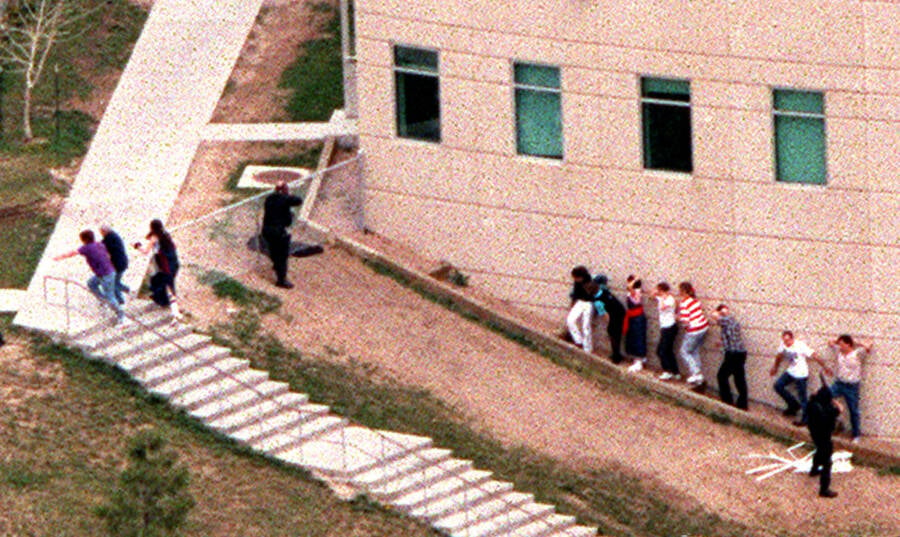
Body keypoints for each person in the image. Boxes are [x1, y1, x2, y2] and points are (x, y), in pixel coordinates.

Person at [53, 229, 125, 325]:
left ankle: (121, 315)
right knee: (91, 284)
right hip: (107, 271)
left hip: (105, 274)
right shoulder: (99, 244)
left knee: (110, 296)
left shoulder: (86, 248)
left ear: (84, 239)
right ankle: (102, 299)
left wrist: (59, 257)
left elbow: (72, 253)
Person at [770, 330, 830, 426]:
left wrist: (825, 367)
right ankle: (793, 405)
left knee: (803, 397)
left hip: (801, 374)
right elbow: (779, 356)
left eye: (788, 340)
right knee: (778, 386)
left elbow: (814, 355)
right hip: (790, 372)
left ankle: (805, 418)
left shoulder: (800, 346)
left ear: (792, 339)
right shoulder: (783, 345)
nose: (787, 343)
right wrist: (775, 367)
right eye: (785, 341)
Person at [826, 335, 872, 443]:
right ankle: (836, 419)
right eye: (839, 344)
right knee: (824, 397)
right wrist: (837, 342)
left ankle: (856, 434)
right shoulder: (839, 352)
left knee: (853, 411)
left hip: (851, 386)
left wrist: (856, 343)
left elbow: (869, 346)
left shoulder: (857, 353)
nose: (840, 346)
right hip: (839, 383)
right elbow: (830, 342)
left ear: (848, 344)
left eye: (842, 344)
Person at [135, 219, 182, 321]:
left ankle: (172, 309)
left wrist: (137, 246)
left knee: (165, 285)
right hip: (174, 263)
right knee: (158, 280)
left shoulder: (155, 238)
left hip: (166, 267)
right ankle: (162, 300)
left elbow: (146, 251)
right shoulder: (165, 234)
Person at [261, 180, 303, 289]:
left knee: (273, 251)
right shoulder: (285, 199)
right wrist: (286, 193)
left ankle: (276, 266)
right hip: (278, 232)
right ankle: (281, 280)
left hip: (267, 230)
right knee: (282, 256)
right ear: (284, 190)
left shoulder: (269, 198)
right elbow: (299, 200)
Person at [807, 376, 841, 498]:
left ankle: (814, 469)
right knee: (827, 462)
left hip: (814, 433)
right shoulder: (829, 411)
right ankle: (824, 489)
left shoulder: (812, 404)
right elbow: (839, 410)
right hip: (825, 436)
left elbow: (813, 396)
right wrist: (835, 402)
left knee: (819, 449)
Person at [709, 304, 748, 409]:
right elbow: (730, 335)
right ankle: (742, 403)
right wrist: (721, 341)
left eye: (723, 313)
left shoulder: (727, 320)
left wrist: (720, 312)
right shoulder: (731, 322)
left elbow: (714, 315)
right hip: (740, 353)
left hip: (733, 354)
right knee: (739, 378)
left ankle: (727, 401)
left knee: (722, 376)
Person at [676, 281, 708, 386]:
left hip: (694, 330)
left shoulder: (684, 303)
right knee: (694, 351)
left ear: (683, 291)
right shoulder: (695, 300)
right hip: (703, 327)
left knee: (684, 351)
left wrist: (678, 317)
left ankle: (696, 373)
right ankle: (698, 376)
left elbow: (686, 321)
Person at [593, 274, 625, 363]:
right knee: (616, 334)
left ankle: (616, 357)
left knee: (613, 333)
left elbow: (605, 315)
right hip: (620, 311)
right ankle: (617, 353)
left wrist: (610, 323)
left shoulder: (597, 300)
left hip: (615, 315)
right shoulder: (605, 291)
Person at [652, 282, 680, 380]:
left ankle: (667, 371)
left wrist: (663, 298)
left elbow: (662, 307)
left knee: (661, 351)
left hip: (670, 327)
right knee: (668, 350)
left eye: (659, 290)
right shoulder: (662, 298)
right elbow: (652, 296)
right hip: (665, 327)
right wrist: (657, 294)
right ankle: (675, 372)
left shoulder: (670, 300)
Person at [566, 266, 595, 352]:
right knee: (570, 320)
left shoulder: (590, 283)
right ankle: (578, 341)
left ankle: (587, 348)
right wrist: (573, 303)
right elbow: (575, 293)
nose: (575, 280)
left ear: (581, 277)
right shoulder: (577, 282)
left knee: (586, 326)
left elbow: (593, 295)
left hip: (588, 303)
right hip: (580, 302)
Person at [99, 224, 130, 305]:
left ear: (104, 232)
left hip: (117, 264)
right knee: (117, 280)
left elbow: (101, 246)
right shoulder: (114, 236)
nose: (101, 234)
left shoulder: (109, 239)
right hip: (123, 262)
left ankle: (120, 300)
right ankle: (127, 289)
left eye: (101, 232)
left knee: (114, 283)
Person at [624, 276, 648, 372]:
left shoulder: (636, 291)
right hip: (632, 316)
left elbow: (629, 287)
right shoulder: (632, 292)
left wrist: (635, 280)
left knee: (638, 337)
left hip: (637, 317)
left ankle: (639, 359)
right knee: (633, 337)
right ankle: (636, 358)